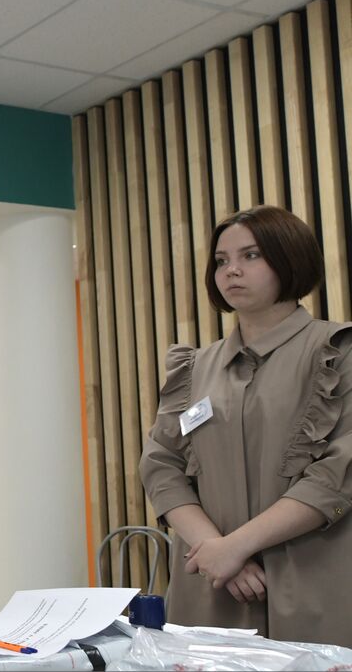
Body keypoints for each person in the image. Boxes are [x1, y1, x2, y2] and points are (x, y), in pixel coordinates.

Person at [141, 205, 352, 647]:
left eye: (251, 256)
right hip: (211, 584)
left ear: (290, 259)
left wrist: (235, 547)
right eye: (221, 260)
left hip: (313, 582)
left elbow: (338, 473)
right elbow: (161, 465)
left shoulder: (337, 352)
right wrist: (218, 551)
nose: (232, 271)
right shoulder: (193, 368)